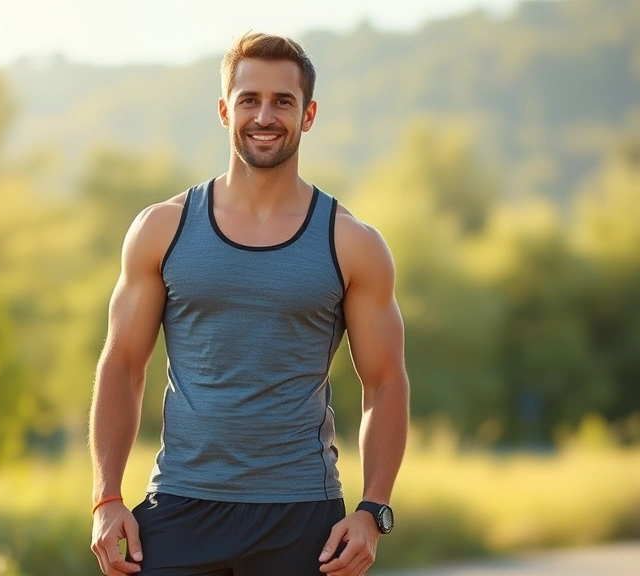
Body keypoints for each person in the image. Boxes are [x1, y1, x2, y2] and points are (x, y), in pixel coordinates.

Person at [89, 31, 409, 576]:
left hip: (303, 516)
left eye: (283, 101)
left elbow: (384, 382)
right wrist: (106, 498)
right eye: (249, 100)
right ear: (224, 111)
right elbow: (122, 364)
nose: (265, 115)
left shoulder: (351, 242)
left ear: (308, 115)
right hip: (182, 505)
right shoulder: (163, 229)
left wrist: (373, 509)